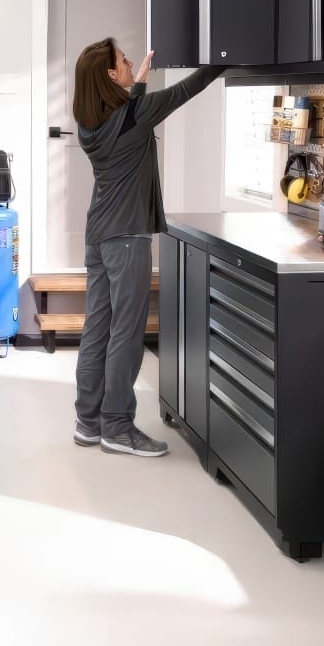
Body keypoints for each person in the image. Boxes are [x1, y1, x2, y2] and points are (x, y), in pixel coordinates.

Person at [71, 39, 224, 457]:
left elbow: (126, 118)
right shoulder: (134, 114)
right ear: (108, 75)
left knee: (97, 329)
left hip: (98, 236)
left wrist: (135, 87)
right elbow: (186, 89)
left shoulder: (90, 124)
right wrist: (230, 57)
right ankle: (117, 427)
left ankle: (89, 422)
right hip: (127, 239)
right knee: (126, 332)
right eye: (123, 61)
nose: (130, 62)